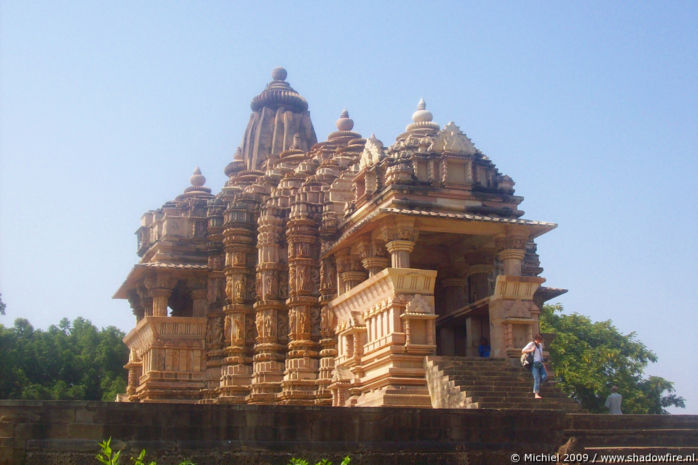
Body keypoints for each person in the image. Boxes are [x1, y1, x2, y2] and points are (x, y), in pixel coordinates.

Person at [522, 334, 547, 399]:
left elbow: (541, 355)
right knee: (537, 378)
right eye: (539, 339)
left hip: (540, 363)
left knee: (544, 376)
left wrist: (543, 364)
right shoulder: (531, 344)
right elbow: (523, 351)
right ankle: (536, 393)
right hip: (534, 363)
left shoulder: (540, 345)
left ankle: (536, 385)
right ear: (536, 339)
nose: (540, 341)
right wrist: (531, 350)